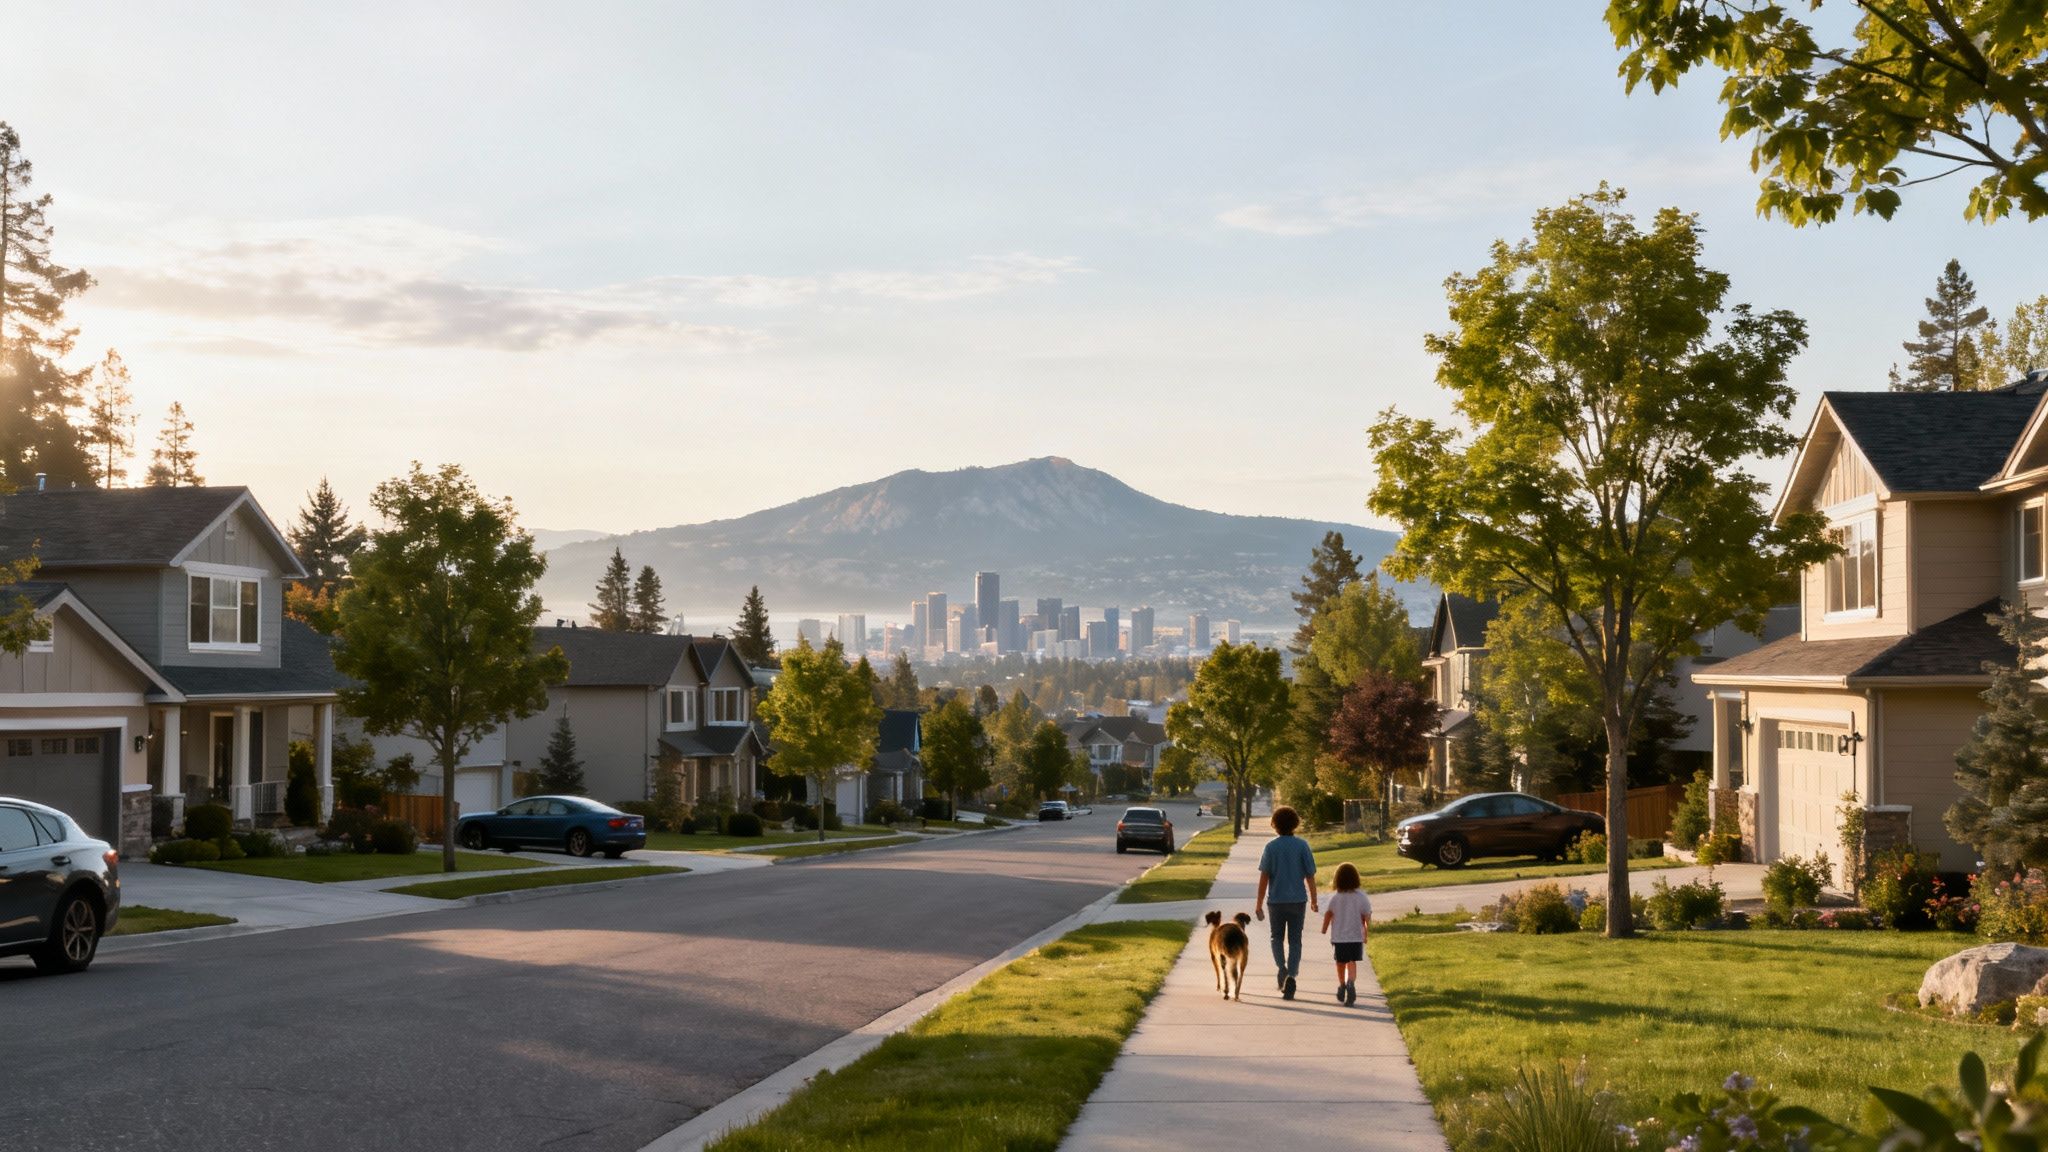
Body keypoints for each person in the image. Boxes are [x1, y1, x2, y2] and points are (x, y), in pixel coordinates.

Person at [1253, 804, 1317, 1000]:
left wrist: (1259, 903)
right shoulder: (1302, 846)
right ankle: (1292, 975)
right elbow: (1310, 875)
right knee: (1295, 940)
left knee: (1276, 937)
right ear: (1295, 824)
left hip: (1276, 901)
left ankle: (1282, 968)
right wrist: (1314, 900)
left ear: (1275, 824)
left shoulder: (1271, 847)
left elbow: (1264, 877)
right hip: (1298, 900)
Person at [1320, 861, 1371, 1006]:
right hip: (1355, 936)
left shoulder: (1335, 898)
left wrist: (1324, 929)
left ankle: (1342, 984)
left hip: (1339, 937)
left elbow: (1328, 914)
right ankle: (1351, 983)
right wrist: (1365, 932)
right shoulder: (1361, 897)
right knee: (1351, 962)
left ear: (1338, 879)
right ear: (1356, 879)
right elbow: (1367, 915)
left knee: (1340, 962)